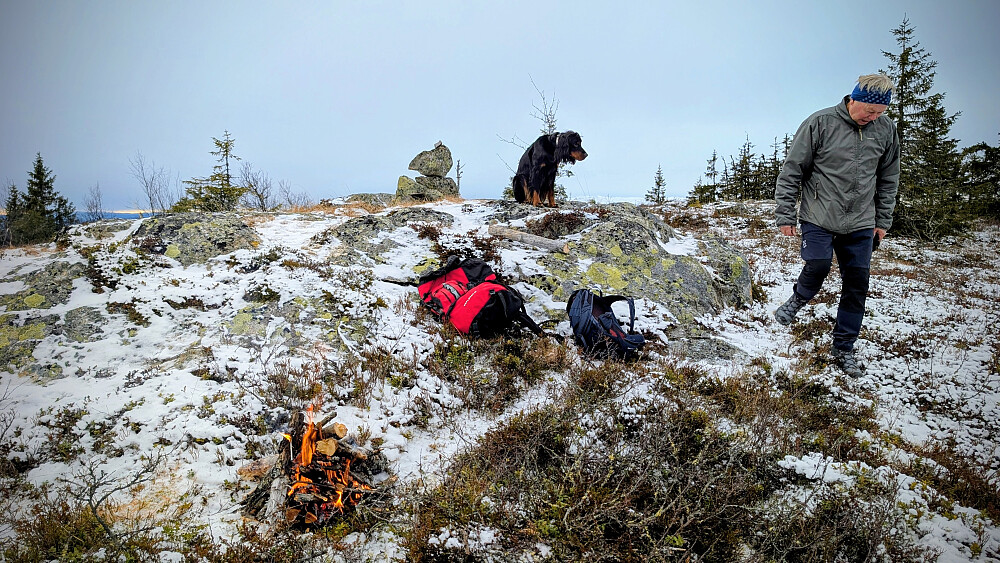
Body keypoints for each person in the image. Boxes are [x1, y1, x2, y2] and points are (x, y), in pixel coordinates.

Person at [774, 73, 900, 378]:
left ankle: (843, 348)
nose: (872, 118)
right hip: (819, 215)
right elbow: (793, 169)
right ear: (853, 98)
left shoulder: (885, 130)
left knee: (857, 286)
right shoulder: (821, 123)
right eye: (869, 111)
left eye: (879, 113)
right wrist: (785, 213)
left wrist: (882, 221)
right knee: (817, 264)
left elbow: (889, 177)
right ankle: (798, 298)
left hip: (860, 222)